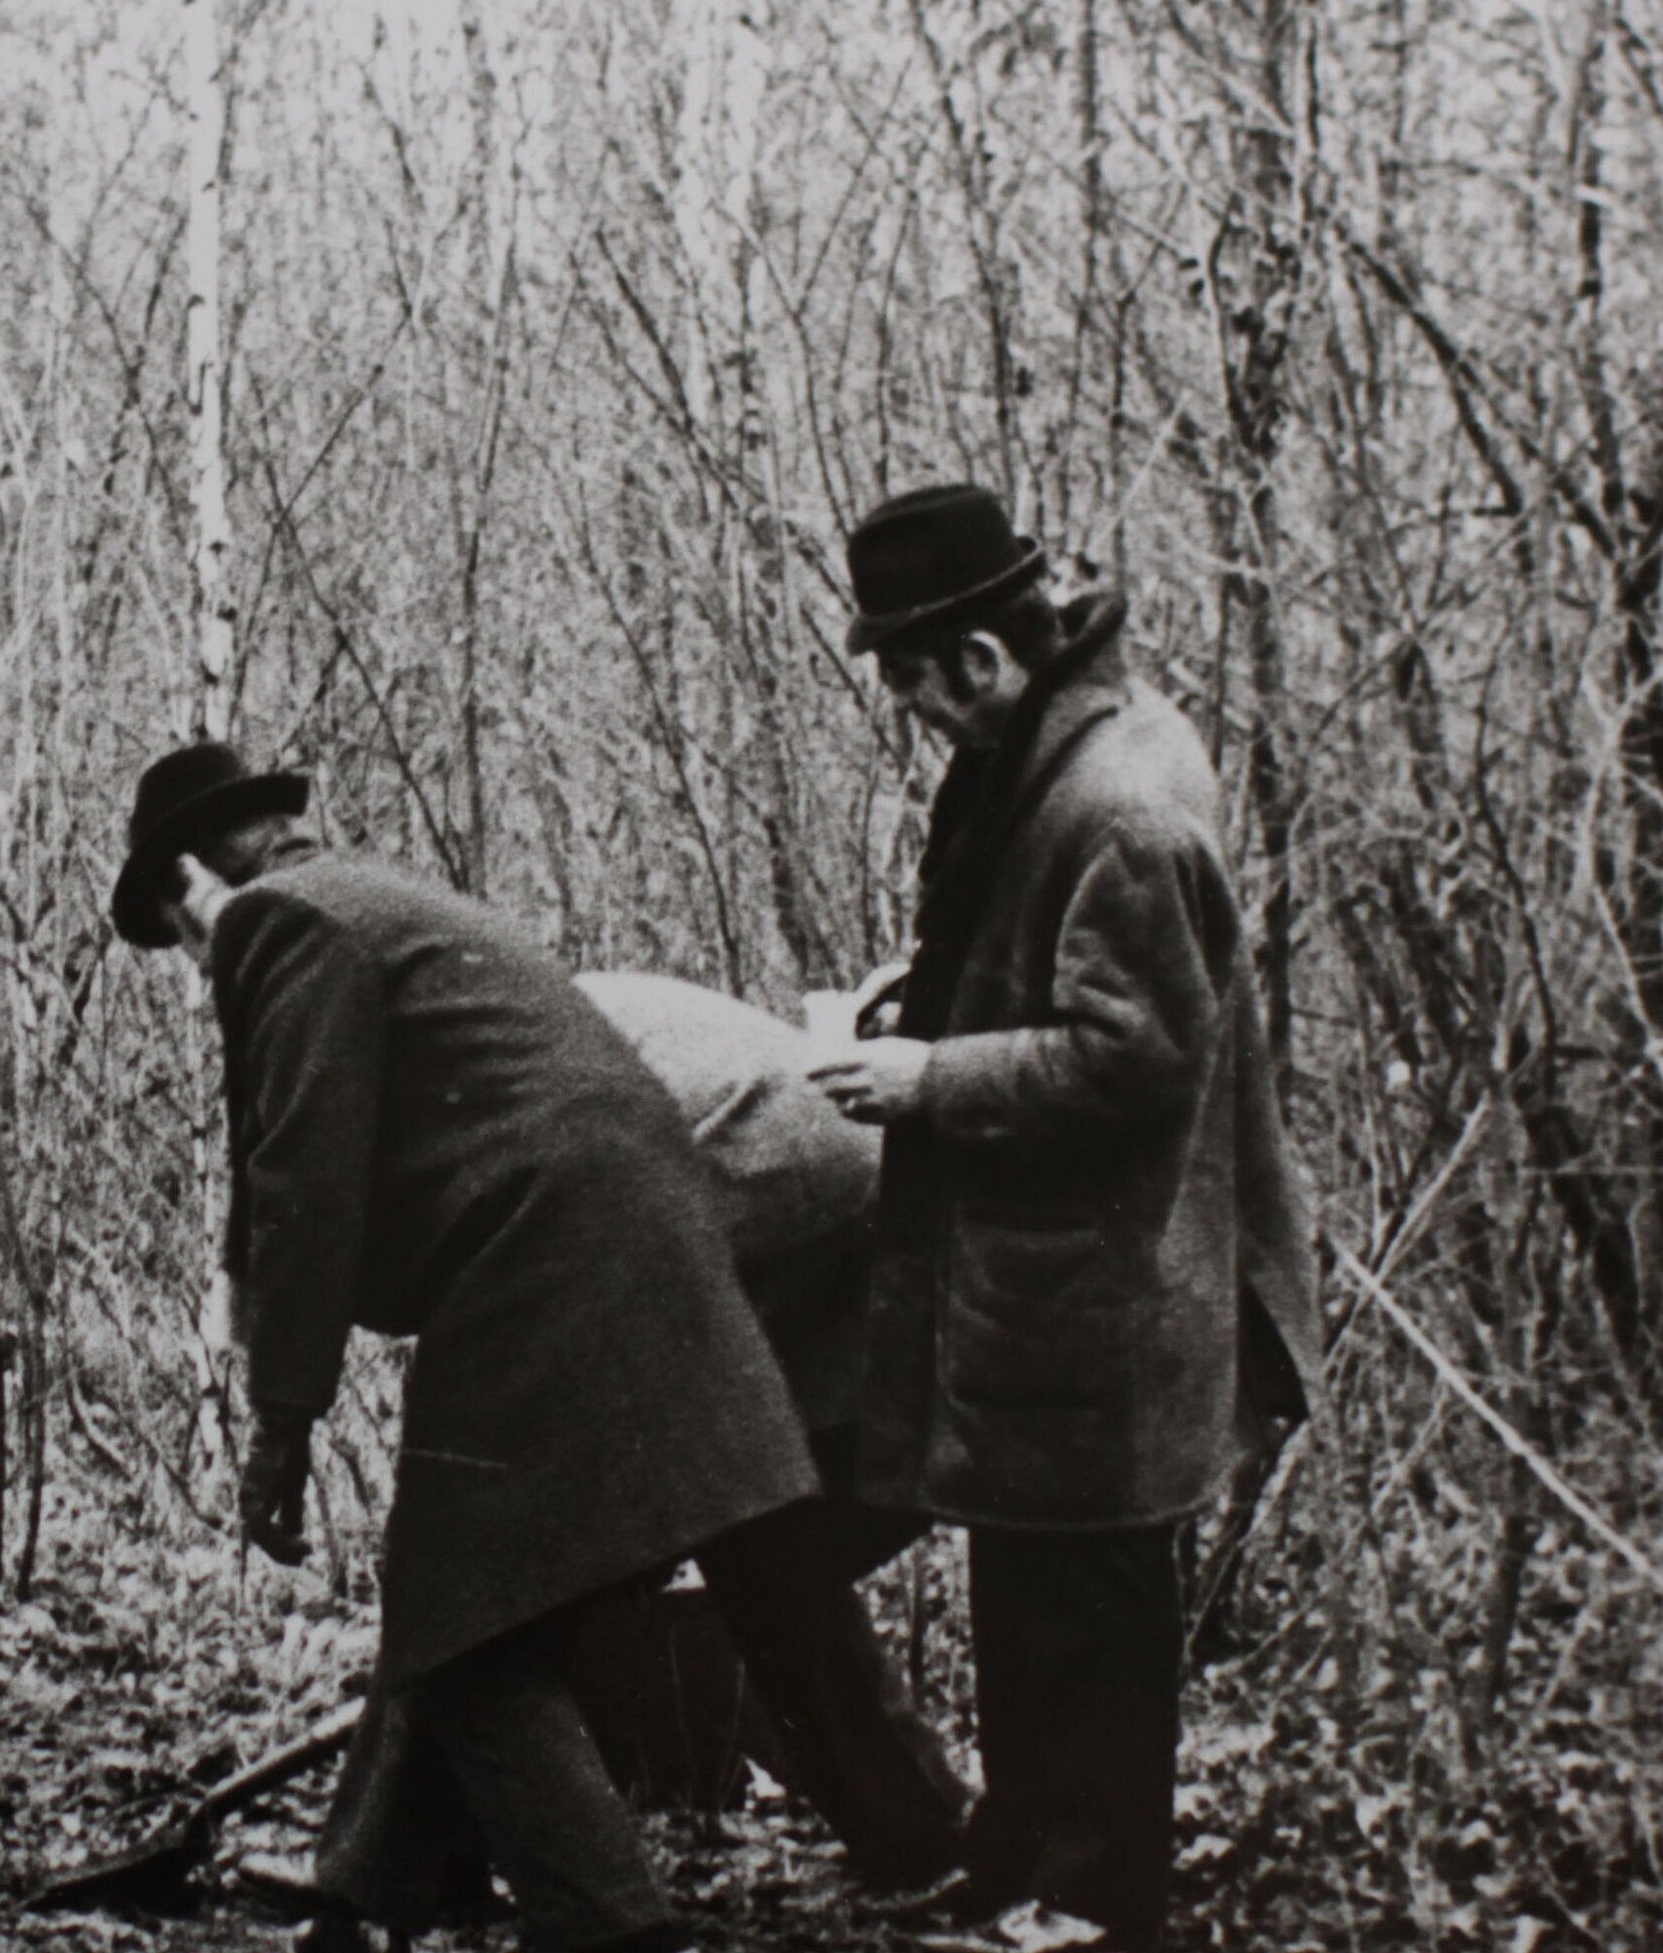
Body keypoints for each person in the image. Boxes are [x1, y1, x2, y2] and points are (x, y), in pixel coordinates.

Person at [113, 742, 821, 1953]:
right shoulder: (375, 899)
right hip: (621, 1244)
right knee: (472, 1597)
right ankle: (373, 1886)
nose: (192, 959)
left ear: (190, 877)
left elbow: (304, 1178)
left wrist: (281, 1423)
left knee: (474, 1630)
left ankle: (611, 1927)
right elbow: (287, 1159)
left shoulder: (278, 922)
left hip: (549, 1262)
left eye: (175, 929)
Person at [804, 482, 1324, 1952]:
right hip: (1048, 1281)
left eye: (909, 676)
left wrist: (929, 1074)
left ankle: (1098, 1902)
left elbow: (1137, 1062)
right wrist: (936, 1003)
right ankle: (1022, 1854)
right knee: (1023, 1582)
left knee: (1088, 1614)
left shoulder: (1124, 804)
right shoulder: (1055, 748)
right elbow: (1045, 965)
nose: (905, 706)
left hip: (1112, 1285)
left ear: (979, 656)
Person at [575, 970, 972, 1855]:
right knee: (760, 1537)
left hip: (798, 1199)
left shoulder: (518, 1055)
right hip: (832, 1193)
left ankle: (429, 1850)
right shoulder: (559, 1013)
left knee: (735, 1529)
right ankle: (915, 1828)